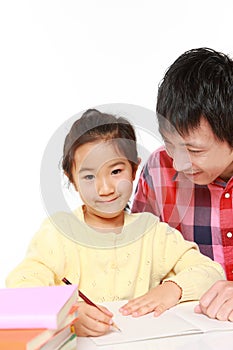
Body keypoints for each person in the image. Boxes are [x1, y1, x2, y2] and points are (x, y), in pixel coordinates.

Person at [6, 109, 224, 336]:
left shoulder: (152, 233)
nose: (105, 189)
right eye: (89, 176)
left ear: (134, 170)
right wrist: (68, 314)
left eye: (116, 171)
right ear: (72, 179)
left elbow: (212, 273)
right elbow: (20, 291)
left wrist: (173, 288)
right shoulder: (59, 233)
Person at [131, 47, 233, 321]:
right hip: (183, 327)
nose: (178, 164)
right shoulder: (158, 169)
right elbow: (138, 259)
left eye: (194, 150)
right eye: (170, 144)